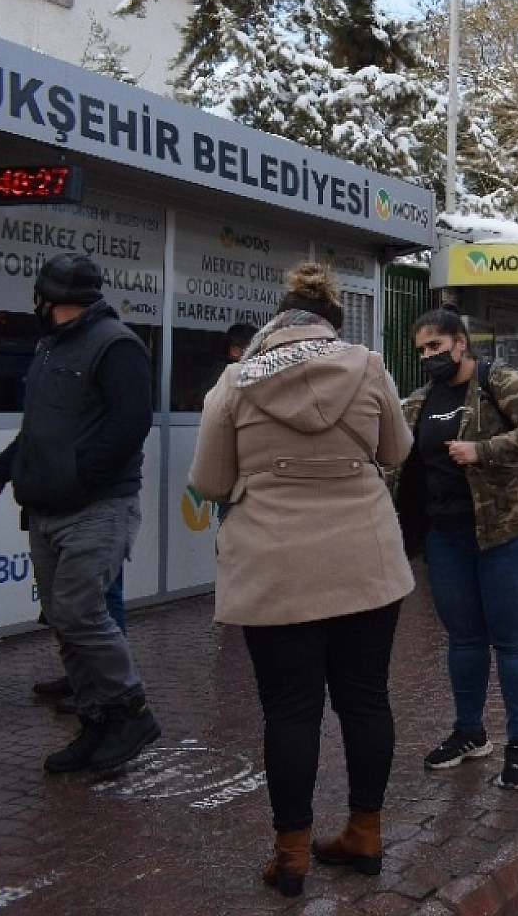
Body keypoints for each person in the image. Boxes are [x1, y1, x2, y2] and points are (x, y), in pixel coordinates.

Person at [189, 262, 414, 898]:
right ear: (328, 323)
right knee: (365, 700)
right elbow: (395, 451)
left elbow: (207, 481)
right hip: (366, 562)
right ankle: (365, 834)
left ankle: (290, 855)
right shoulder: (369, 367)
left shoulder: (235, 380)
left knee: (290, 711)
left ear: (276, 325)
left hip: (273, 566)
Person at [0, 252, 160, 776]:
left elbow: (131, 425)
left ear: (48, 299)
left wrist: (79, 476)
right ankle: (96, 722)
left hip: (96, 508)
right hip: (45, 508)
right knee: (64, 619)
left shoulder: (116, 346)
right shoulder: (49, 347)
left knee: (81, 612)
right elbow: (37, 430)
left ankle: (131, 712)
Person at [396, 306, 518, 790]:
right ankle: (470, 732)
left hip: (513, 530)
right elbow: (394, 458)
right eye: (422, 350)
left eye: (436, 347)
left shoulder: (499, 382)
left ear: (460, 343)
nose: (429, 357)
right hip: (447, 537)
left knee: (513, 639)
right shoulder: (421, 401)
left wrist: (484, 450)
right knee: (463, 639)